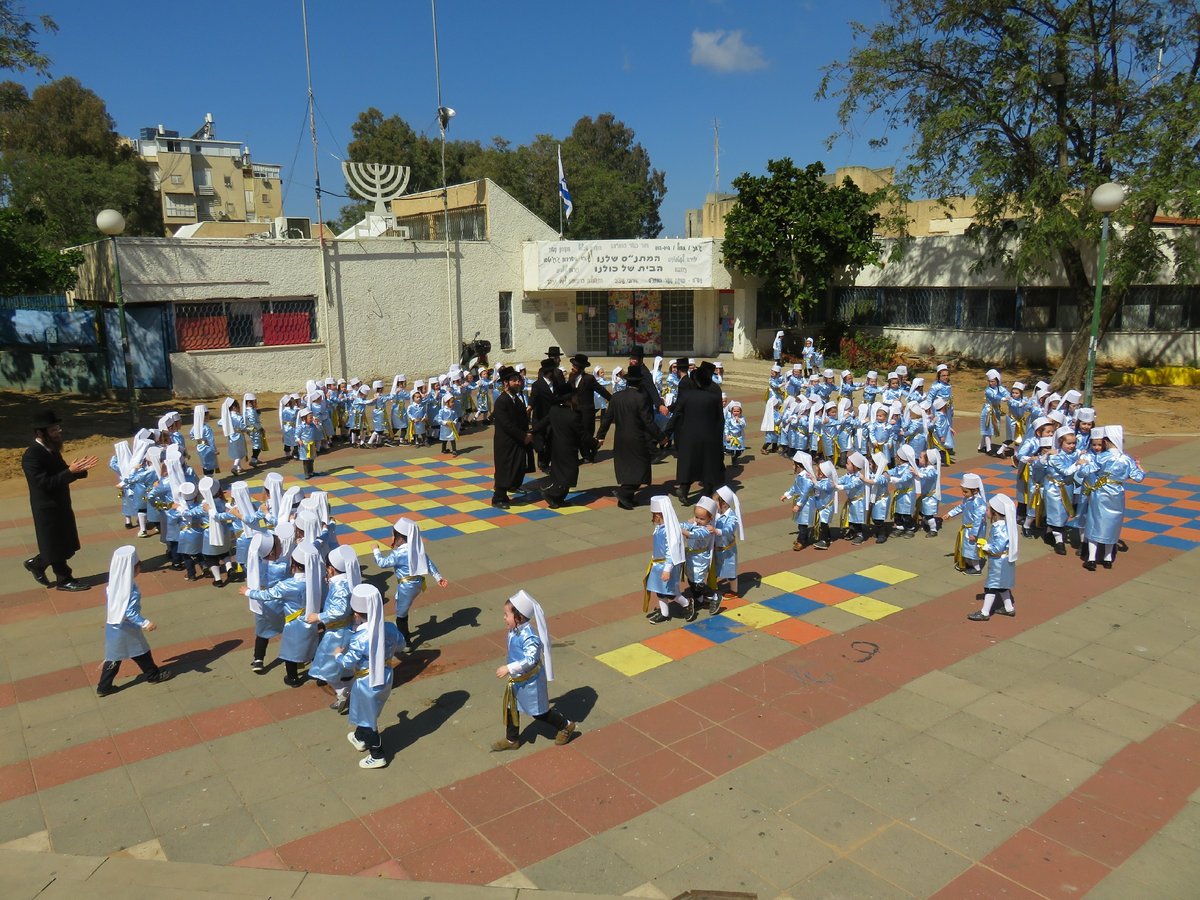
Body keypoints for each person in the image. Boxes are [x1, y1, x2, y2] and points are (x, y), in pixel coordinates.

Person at [23, 407, 97, 592]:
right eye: (54, 430)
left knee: (62, 541)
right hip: (46, 507)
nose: (58, 433)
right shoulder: (32, 455)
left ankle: (37, 563)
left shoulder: (52, 449)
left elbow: (62, 471)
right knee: (55, 542)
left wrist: (77, 471)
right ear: (41, 432)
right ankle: (64, 579)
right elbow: (44, 483)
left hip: (60, 503)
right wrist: (70, 472)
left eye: (57, 429)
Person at [492, 590, 575, 751]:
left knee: (539, 712)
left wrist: (508, 668)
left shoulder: (529, 637)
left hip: (530, 682)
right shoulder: (514, 631)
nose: (504, 618)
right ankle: (512, 739)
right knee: (511, 707)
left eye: (506, 614)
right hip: (517, 680)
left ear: (519, 617)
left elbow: (530, 660)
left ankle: (566, 725)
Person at [337, 584, 402, 769]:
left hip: (366, 681)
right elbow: (401, 644)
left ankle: (377, 754)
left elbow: (347, 663)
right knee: (370, 710)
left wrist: (337, 654)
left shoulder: (359, 638)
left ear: (357, 614)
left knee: (368, 718)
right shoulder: (389, 628)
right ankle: (359, 737)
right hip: (386, 675)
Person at [97, 546, 172, 696]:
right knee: (141, 652)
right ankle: (153, 675)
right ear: (133, 569)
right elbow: (130, 611)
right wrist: (145, 623)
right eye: (139, 566)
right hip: (127, 627)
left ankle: (104, 686)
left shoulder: (113, 584)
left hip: (113, 625)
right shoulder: (131, 589)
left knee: (114, 657)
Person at [373, 517, 448, 648]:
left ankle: (405, 643)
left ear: (400, 538)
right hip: (417, 583)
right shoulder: (417, 549)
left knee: (401, 615)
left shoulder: (399, 553)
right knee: (401, 604)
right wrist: (438, 577)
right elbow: (429, 564)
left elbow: (382, 563)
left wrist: (376, 550)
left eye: (393, 535)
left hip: (406, 586)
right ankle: (402, 626)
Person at [596, 365, 662, 510]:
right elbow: (648, 421)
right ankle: (624, 493)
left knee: (627, 468)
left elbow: (607, 419)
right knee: (641, 469)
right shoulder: (641, 398)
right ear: (639, 382)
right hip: (637, 438)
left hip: (620, 438)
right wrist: (660, 436)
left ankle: (626, 499)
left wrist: (600, 436)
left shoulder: (617, 397)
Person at [662, 361, 725, 504]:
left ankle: (684, 491)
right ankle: (707, 492)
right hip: (709, 435)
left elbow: (677, 414)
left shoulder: (687, 396)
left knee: (688, 463)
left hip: (689, 435)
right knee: (708, 463)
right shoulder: (714, 396)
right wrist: (718, 436)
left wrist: (666, 433)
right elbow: (720, 418)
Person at [533, 383, 586, 508]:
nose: (577, 399)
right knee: (569, 474)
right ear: (569, 399)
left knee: (562, 474)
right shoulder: (573, 415)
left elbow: (543, 423)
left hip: (556, 448)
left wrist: (531, 432)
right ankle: (551, 494)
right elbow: (582, 434)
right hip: (568, 449)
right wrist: (594, 443)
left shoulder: (554, 410)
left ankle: (558, 499)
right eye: (575, 397)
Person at [969, 494, 1019, 621]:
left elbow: (997, 548)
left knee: (990, 586)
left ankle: (985, 612)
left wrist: (985, 546)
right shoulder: (1003, 525)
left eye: (988, 509)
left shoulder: (1000, 528)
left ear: (995, 513)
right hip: (1003, 560)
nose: (986, 511)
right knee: (1002, 585)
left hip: (999, 561)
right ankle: (1009, 608)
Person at [491, 365, 534, 509]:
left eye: (519, 380)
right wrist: (523, 436)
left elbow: (522, 419)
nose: (518, 383)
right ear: (506, 383)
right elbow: (506, 425)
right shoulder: (502, 401)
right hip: (506, 442)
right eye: (514, 380)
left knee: (517, 467)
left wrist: (528, 433)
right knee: (504, 469)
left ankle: (512, 487)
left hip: (517, 441)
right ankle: (498, 498)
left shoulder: (517, 399)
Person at [644, 495, 688, 624]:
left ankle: (686, 603)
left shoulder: (669, 531)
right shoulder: (660, 528)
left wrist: (667, 569)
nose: (653, 517)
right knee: (659, 590)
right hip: (658, 564)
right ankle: (664, 613)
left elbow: (671, 550)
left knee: (670, 592)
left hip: (666, 565)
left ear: (659, 515)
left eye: (654, 514)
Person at [567, 353, 610, 463]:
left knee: (586, 433)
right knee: (577, 433)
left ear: (580, 368)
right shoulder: (571, 377)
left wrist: (613, 399)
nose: (572, 368)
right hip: (575, 410)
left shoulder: (589, 379)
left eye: (575, 366)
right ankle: (584, 453)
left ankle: (589, 454)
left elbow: (601, 390)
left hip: (587, 411)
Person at [713, 485, 743, 601]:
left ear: (724, 503)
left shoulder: (732, 517)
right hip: (717, 547)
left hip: (727, 549)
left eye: (715, 502)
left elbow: (729, 529)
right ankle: (712, 586)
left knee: (730, 570)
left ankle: (734, 590)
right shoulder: (716, 514)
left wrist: (717, 531)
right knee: (714, 569)